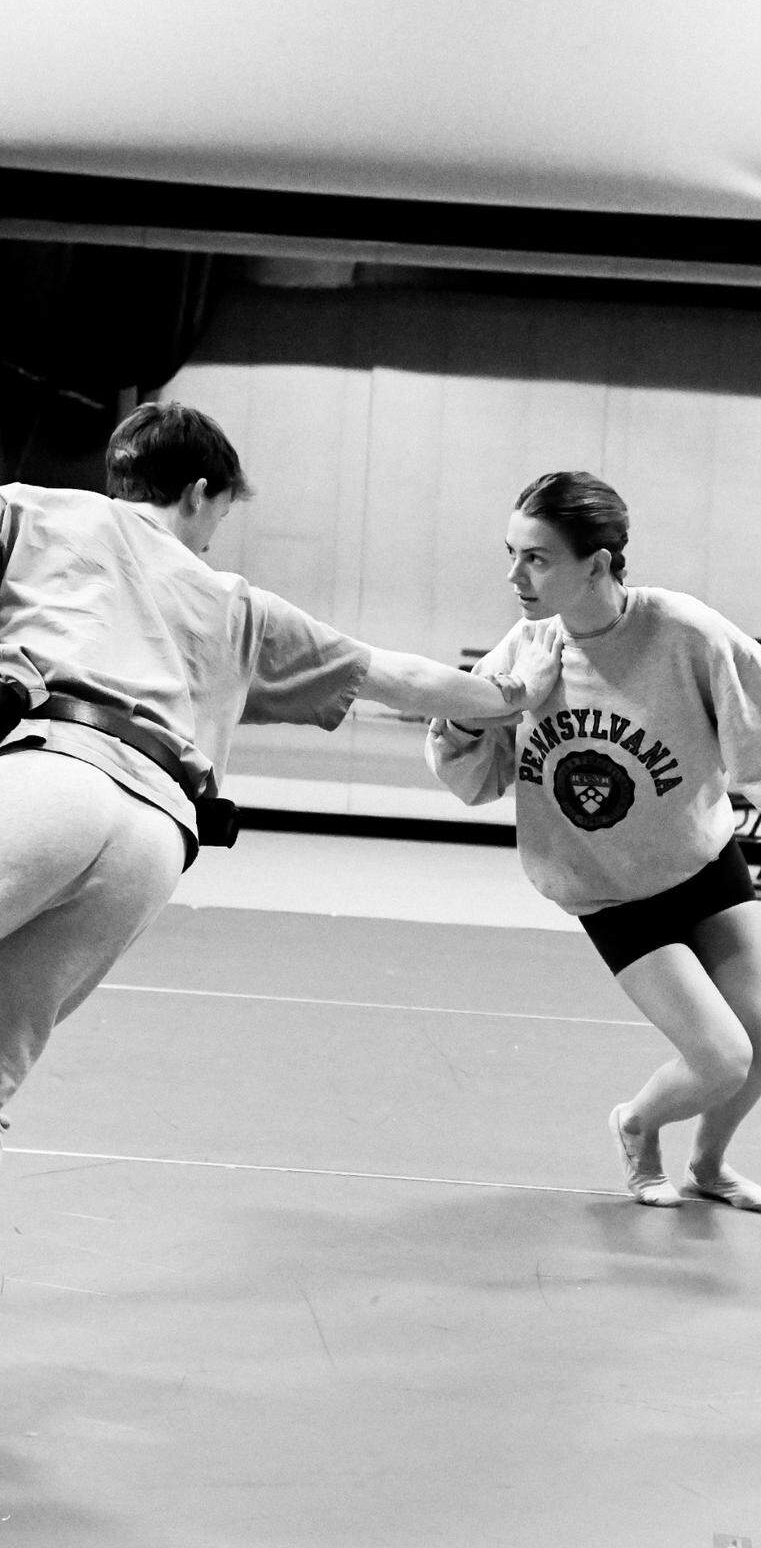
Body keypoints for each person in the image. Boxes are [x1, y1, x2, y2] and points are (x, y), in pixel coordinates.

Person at [0, 402, 562, 1138]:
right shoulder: (239, 605)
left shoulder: (33, 512)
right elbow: (398, 677)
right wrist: (514, 693)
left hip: (55, 773)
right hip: (157, 839)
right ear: (200, 493)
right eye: (218, 520)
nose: (207, 543)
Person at [426, 471, 761, 1212]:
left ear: (601, 563)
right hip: (610, 892)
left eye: (537, 558)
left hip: (702, 863)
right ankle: (638, 1125)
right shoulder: (527, 651)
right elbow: (473, 777)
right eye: (511, 554)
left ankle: (709, 1167)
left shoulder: (684, 634)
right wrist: (484, 710)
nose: (514, 575)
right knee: (721, 1057)